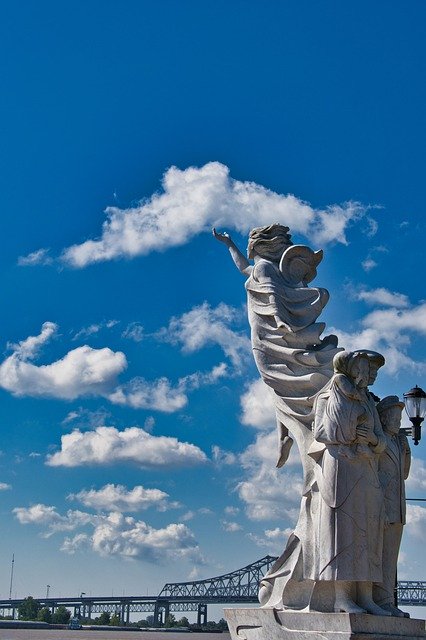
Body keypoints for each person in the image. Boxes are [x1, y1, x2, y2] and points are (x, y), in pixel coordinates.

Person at [312, 351, 389, 615]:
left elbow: (382, 440)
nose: (370, 374)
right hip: (340, 465)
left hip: (366, 469)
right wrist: (349, 433)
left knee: (368, 532)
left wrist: (371, 440)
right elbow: (319, 432)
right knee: (343, 531)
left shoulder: (369, 401)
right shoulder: (326, 396)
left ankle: (366, 597)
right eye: (367, 368)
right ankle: (341, 598)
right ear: (353, 368)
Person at [373, 396, 411, 617]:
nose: (398, 421)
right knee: (378, 555)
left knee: (390, 558)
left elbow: (403, 474)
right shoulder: (378, 442)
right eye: (394, 417)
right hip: (381, 508)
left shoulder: (398, 443)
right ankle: (379, 600)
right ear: (384, 417)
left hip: (398, 509)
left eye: (399, 417)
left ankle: (388, 600)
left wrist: (406, 452)